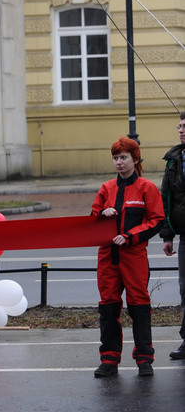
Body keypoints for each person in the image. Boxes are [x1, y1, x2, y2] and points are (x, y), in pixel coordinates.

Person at [91, 135, 165, 378]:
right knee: (108, 308)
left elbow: (156, 221)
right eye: (115, 158)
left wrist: (130, 236)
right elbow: (91, 218)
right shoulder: (106, 189)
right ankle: (109, 360)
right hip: (107, 257)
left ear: (135, 158)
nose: (119, 162)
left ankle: (145, 359)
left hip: (134, 256)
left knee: (139, 307)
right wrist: (102, 214)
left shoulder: (147, 187)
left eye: (123, 157)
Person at [160, 111, 185, 359]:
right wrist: (167, 236)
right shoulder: (174, 160)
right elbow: (165, 199)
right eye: (179, 126)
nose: (181, 130)